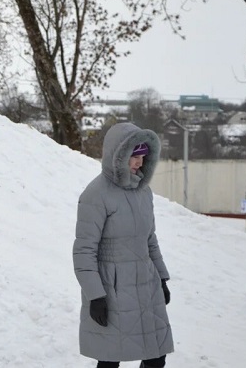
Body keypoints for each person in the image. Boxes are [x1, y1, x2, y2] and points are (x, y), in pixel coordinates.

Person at [73, 122, 174, 368]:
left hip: (146, 283)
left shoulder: (143, 191)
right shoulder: (95, 194)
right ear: (117, 155)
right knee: (110, 359)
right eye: (134, 156)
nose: (139, 162)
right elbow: (84, 250)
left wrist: (161, 277)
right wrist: (95, 295)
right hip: (113, 288)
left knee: (156, 357)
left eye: (143, 156)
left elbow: (150, 238)